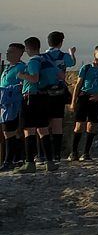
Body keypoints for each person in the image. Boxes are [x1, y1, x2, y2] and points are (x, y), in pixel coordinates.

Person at [70, 43, 98, 162]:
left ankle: (86, 152)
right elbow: (78, 85)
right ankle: (74, 151)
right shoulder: (86, 68)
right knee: (79, 125)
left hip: (97, 98)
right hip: (84, 97)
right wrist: (73, 101)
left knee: (92, 125)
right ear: (95, 54)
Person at [18, 36, 53, 172]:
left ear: (27, 48)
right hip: (43, 97)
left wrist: (22, 76)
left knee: (29, 130)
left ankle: (29, 163)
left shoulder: (33, 61)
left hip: (31, 98)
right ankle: (49, 161)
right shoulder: (45, 60)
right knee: (43, 129)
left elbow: (34, 78)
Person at [41, 31, 73, 166]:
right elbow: (71, 62)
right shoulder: (64, 56)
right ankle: (57, 154)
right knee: (57, 125)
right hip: (59, 92)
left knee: (43, 125)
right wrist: (72, 52)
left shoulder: (42, 57)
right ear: (61, 42)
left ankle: (43, 154)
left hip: (44, 92)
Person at [0, 41, 24, 171]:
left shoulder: (21, 68)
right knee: (7, 132)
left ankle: (10, 160)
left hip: (14, 104)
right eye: (7, 52)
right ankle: (14, 159)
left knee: (10, 132)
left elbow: (21, 86)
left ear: (19, 53)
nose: (8, 54)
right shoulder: (7, 68)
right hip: (4, 105)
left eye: (11, 52)